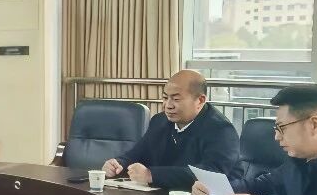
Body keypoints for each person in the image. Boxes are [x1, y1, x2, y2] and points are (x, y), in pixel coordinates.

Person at [191, 86, 317, 195]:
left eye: (282, 128)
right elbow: (264, 185)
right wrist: (214, 189)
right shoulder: (298, 158)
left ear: (314, 125)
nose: (277, 137)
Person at [102, 70, 241, 189]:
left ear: (200, 100)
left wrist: (151, 175)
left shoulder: (221, 130)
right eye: (165, 98)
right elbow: (138, 152)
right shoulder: (159, 121)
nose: (168, 105)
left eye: (176, 99)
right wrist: (119, 163)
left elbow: (211, 174)